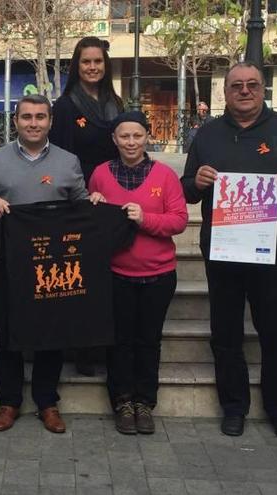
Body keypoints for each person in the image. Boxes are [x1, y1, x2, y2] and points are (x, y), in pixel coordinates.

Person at [180, 61, 277, 439]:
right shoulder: (207, 135)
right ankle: (234, 406)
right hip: (223, 250)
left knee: (275, 333)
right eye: (237, 85)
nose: (244, 91)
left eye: (252, 85)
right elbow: (187, 188)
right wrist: (198, 181)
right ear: (225, 92)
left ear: (262, 90)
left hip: (270, 251)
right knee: (225, 333)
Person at [0, 94, 103, 434]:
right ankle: (9, 402)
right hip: (6, 261)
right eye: (27, 117)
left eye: (40, 117)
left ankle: (47, 402)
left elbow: (79, 203)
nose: (33, 123)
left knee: (52, 333)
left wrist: (94, 201)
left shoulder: (68, 161)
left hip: (52, 265)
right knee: (6, 334)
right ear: (15, 121)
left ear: (50, 121)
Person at [88, 111, 188, 434]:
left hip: (158, 274)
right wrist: (94, 203)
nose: (131, 142)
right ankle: (122, 401)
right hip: (116, 273)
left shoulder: (165, 176)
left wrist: (146, 219)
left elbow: (179, 220)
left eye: (137, 135)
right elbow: (93, 224)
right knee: (120, 341)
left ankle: (145, 402)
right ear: (114, 139)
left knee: (148, 341)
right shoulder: (101, 174)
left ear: (147, 137)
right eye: (124, 136)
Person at [49, 36, 124, 377]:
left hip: (114, 197)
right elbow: (59, 155)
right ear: (76, 67)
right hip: (80, 199)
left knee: (108, 276)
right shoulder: (65, 107)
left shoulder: (116, 103)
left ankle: (106, 345)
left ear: (105, 65)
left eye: (97, 61)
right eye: (85, 62)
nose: (92, 67)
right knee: (82, 277)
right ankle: (81, 348)